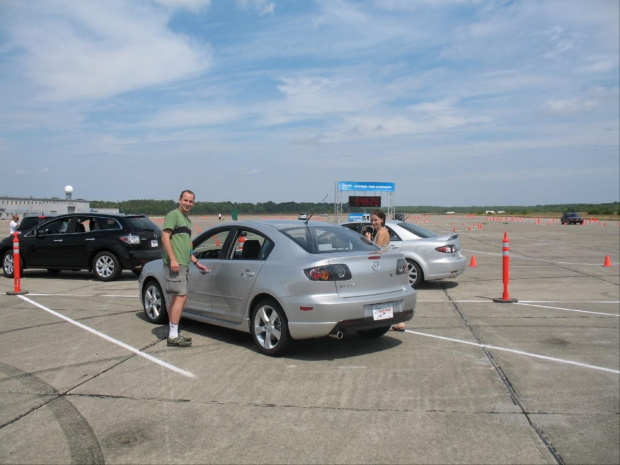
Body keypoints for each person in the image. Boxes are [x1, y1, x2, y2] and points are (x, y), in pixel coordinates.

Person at [162, 190, 209, 347]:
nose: (188, 203)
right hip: (176, 264)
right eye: (185, 200)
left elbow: (187, 247)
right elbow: (165, 237)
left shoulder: (187, 221)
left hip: (184, 263)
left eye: (191, 201)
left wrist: (196, 262)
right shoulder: (173, 215)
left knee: (177, 298)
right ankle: (173, 336)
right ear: (179, 200)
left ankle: (173, 332)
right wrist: (173, 259)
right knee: (181, 297)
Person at [369, 209, 406, 332]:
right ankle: (396, 321)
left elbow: (376, 251)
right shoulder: (382, 231)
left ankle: (397, 322)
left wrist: (368, 240)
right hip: (383, 266)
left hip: (380, 267)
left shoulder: (381, 233)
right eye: (371, 219)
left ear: (382, 220)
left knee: (382, 296)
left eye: (375, 220)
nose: (373, 222)